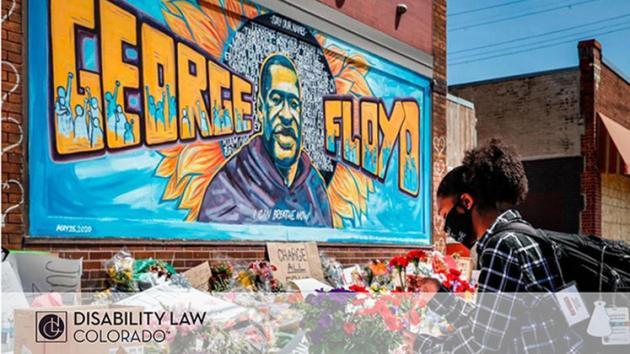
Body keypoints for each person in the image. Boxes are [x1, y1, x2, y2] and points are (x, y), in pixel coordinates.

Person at [412, 139, 582, 353]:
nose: (447, 227)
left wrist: (421, 345)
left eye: (445, 215)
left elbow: (482, 346)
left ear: (466, 202)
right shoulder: (523, 235)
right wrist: (439, 295)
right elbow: (489, 325)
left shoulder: (502, 247)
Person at [197, 54, 332, 227]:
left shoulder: (314, 186)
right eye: (276, 100)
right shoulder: (229, 184)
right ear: (261, 109)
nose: (286, 115)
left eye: (293, 103)